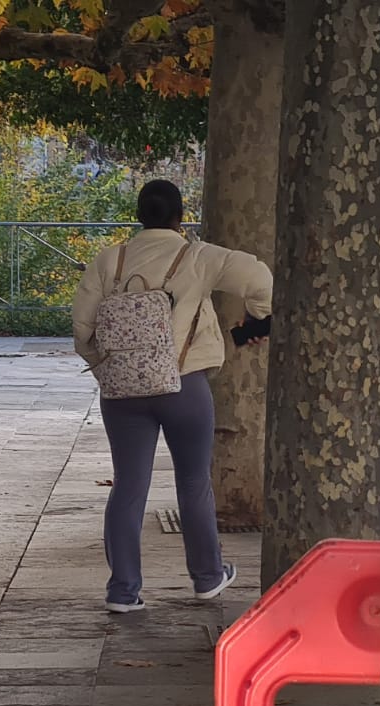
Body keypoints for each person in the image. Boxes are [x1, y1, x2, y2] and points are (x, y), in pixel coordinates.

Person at [73, 180, 272, 614]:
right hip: (184, 386)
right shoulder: (198, 256)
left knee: (128, 485)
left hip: (122, 394)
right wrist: (255, 323)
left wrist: (111, 367)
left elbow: (83, 332)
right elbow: (260, 278)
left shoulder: (109, 261)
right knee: (194, 481)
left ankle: (123, 591)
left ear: (139, 214)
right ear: (180, 216)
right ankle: (207, 577)